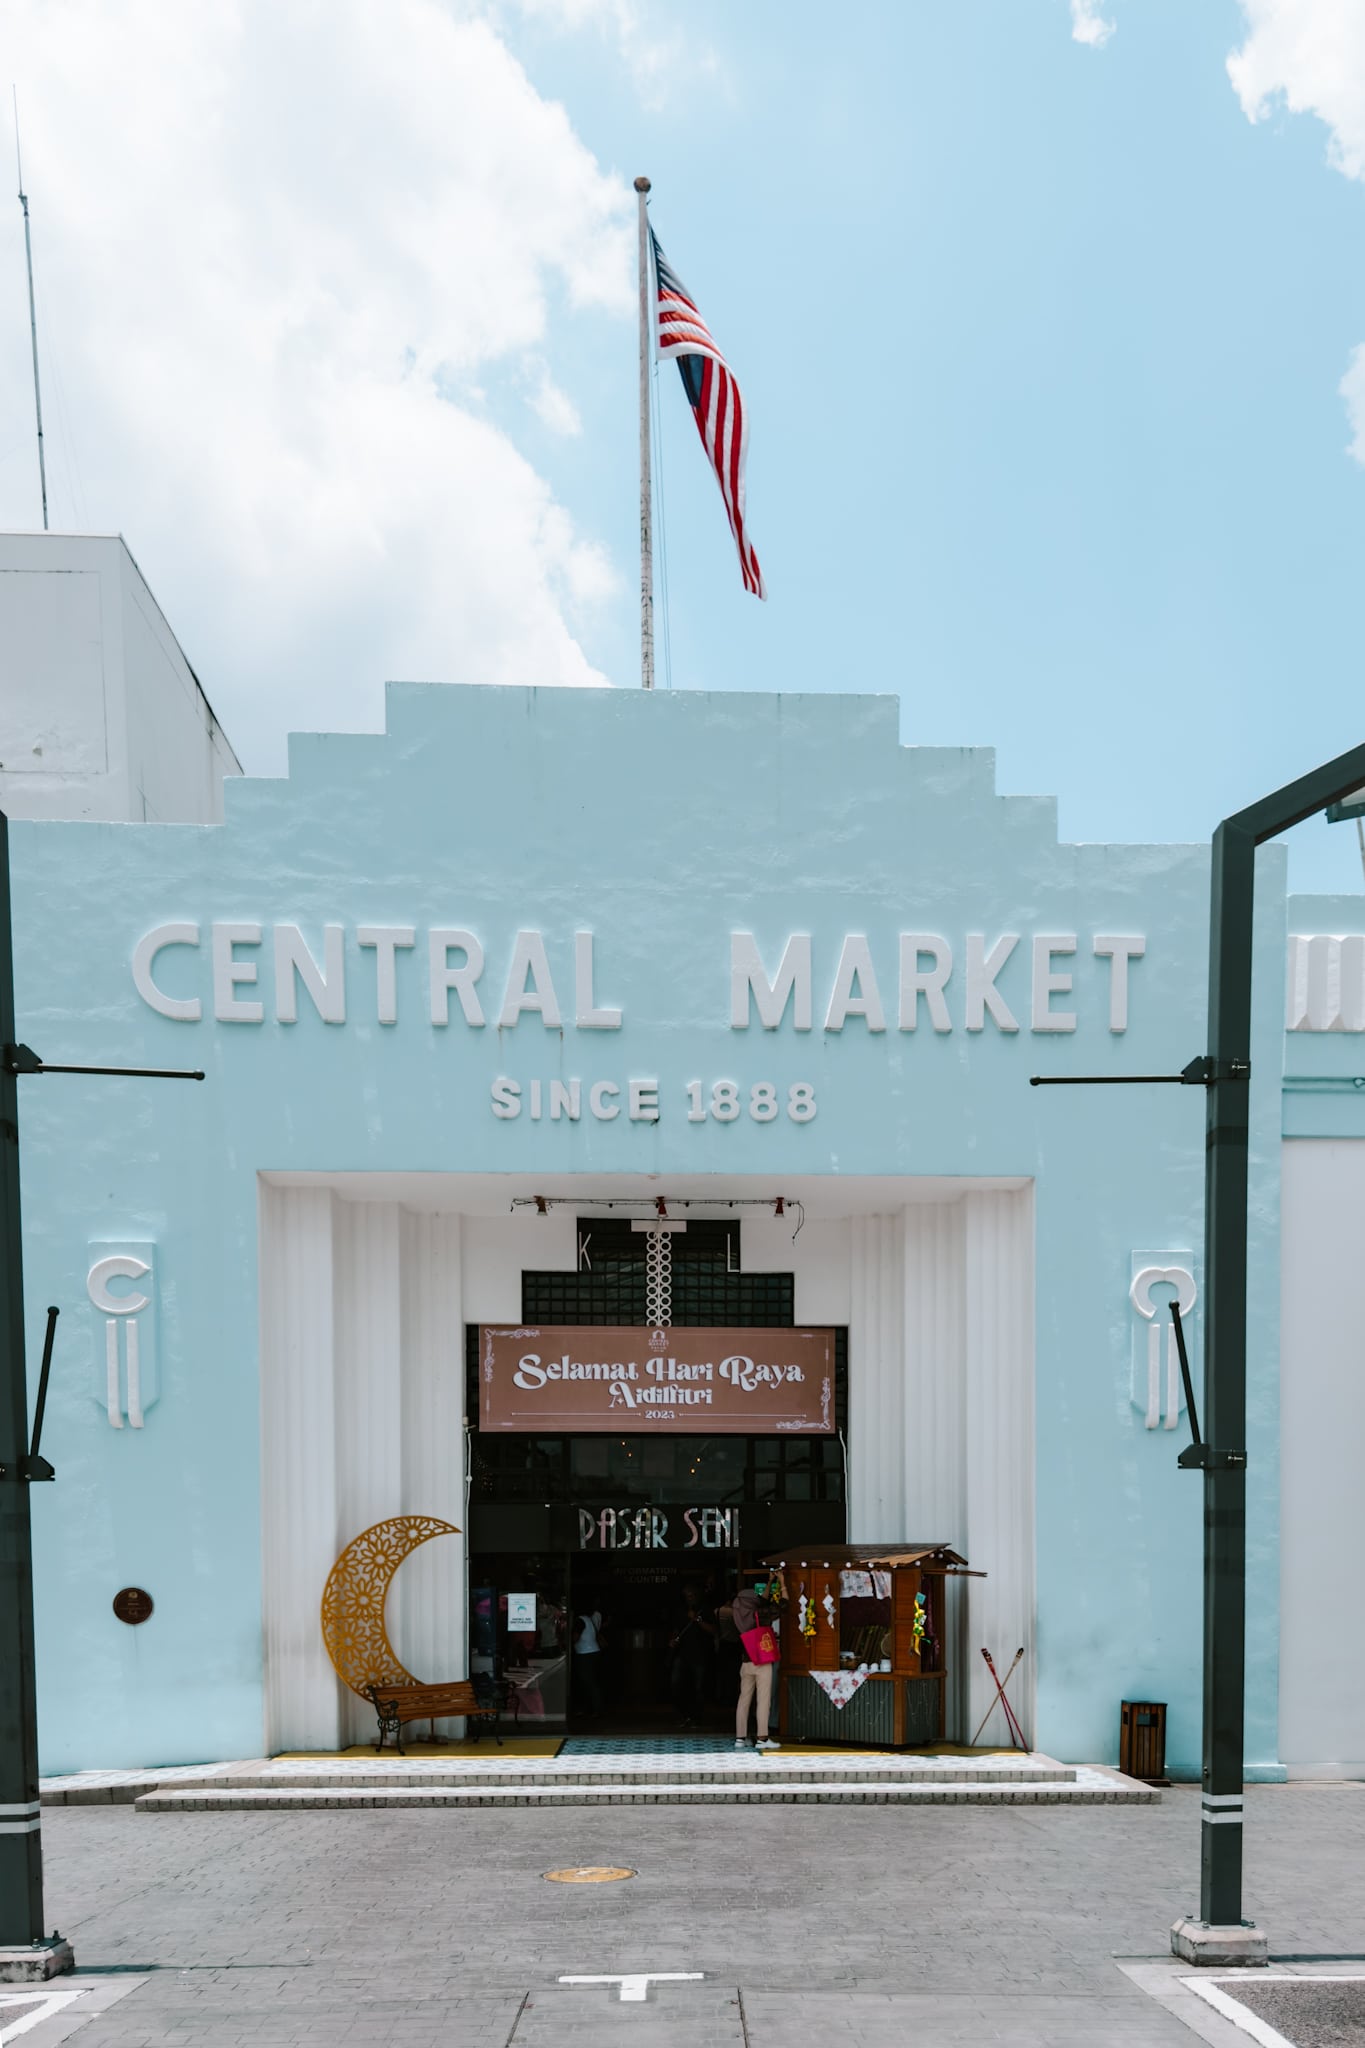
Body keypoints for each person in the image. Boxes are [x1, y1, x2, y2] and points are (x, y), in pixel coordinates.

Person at [732, 1575, 781, 1750]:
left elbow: (761, 1600)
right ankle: (762, 1738)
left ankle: (740, 1738)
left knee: (743, 1700)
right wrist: (782, 1583)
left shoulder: (738, 1613)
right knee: (763, 1700)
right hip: (761, 1661)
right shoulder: (761, 1615)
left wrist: (770, 1582)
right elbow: (783, 1606)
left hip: (745, 1662)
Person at [668, 1582, 716, 1730]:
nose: (690, 1598)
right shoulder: (680, 1611)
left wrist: (698, 1619)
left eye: (692, 1595)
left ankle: (696, 1718)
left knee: (698, 1688)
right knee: (676, 1685)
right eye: (687, 1596)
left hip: (700, 1654)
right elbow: (677, 1629)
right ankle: (685, 1715)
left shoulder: (705, 1610)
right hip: (682, 1653)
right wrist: (673, 1639)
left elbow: (713, 1630)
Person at [572, 1606, 605, 1719]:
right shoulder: (588, 1619)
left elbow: (575, 1637)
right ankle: (591, 1709)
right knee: (590, 1682)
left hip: (585, 1653)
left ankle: (594, 1710)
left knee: (588, 1683)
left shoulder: (579, 1620)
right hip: (593, 1652)